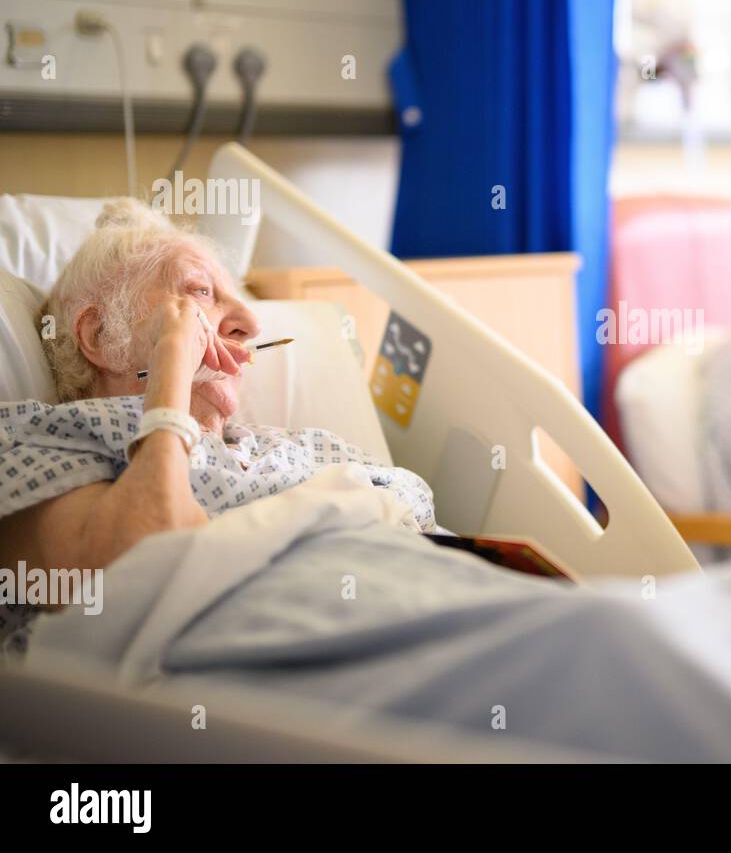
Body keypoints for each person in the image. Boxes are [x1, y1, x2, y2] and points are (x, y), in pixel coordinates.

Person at [0, 199, 433, 653]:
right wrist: (170, 377)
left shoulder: (295, 447)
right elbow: (142, 577)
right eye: (201, 291)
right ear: (100, 335)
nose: (251, 323)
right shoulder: (48, 444)